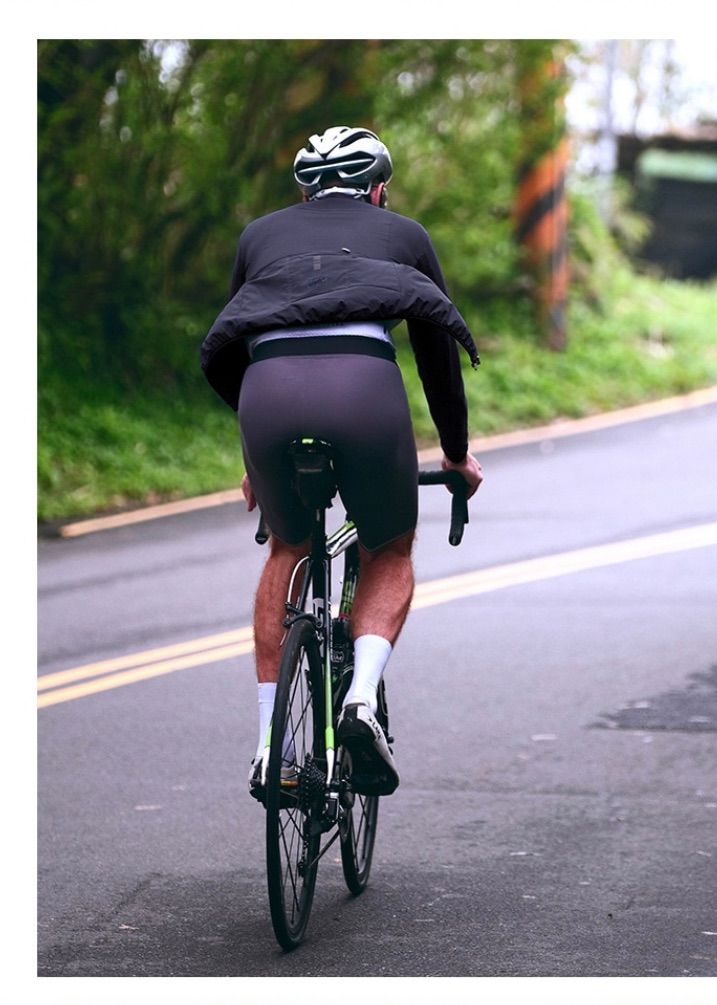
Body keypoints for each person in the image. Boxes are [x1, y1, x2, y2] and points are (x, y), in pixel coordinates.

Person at [200, 126, 483, 802]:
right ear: (378, 188)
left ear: (303, 189)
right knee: (389, 547)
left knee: (286, 550)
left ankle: (271, 747)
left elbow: (235, 343)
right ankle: (358, 696)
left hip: (265, 396)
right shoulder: (405, 234)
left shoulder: (258, 236)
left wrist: (256, 459)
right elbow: (436, 352)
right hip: (361, 388)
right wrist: (453, 451)